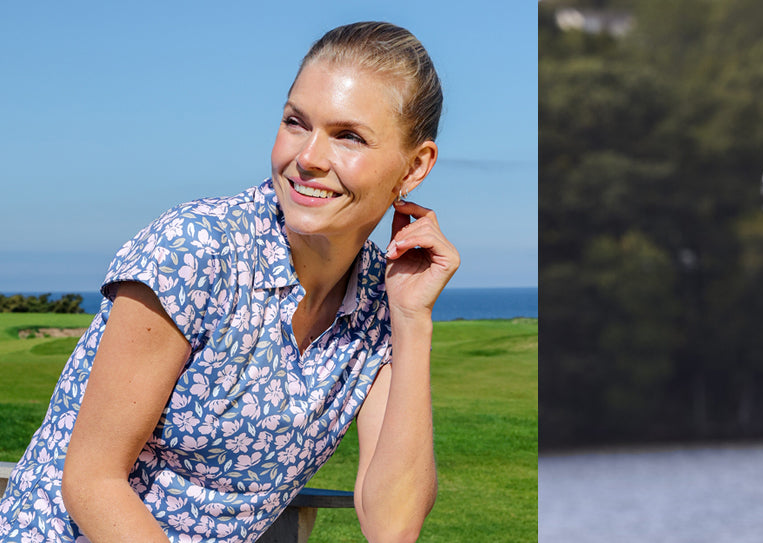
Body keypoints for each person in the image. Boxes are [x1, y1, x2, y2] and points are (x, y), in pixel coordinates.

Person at [0, 21, 456, 542]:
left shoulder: (380, 302)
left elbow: (392, 526)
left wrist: (412, 321)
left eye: (348, 136)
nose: (308, 158)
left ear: (414, 166)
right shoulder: (196, 250)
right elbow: (91, 479)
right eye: (295, 122)